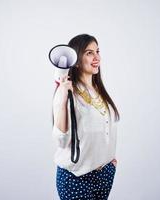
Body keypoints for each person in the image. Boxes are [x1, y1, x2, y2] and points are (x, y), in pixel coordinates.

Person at [52, 34, 120, 200]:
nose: (97, 57)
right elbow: (61, 141)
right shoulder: (68, 94)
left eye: (97, 51)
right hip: (76, 178)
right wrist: (63, 97)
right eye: (89, 53)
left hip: (104, 175)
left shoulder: (99, 91)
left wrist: (109, 161)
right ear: (75, 59)